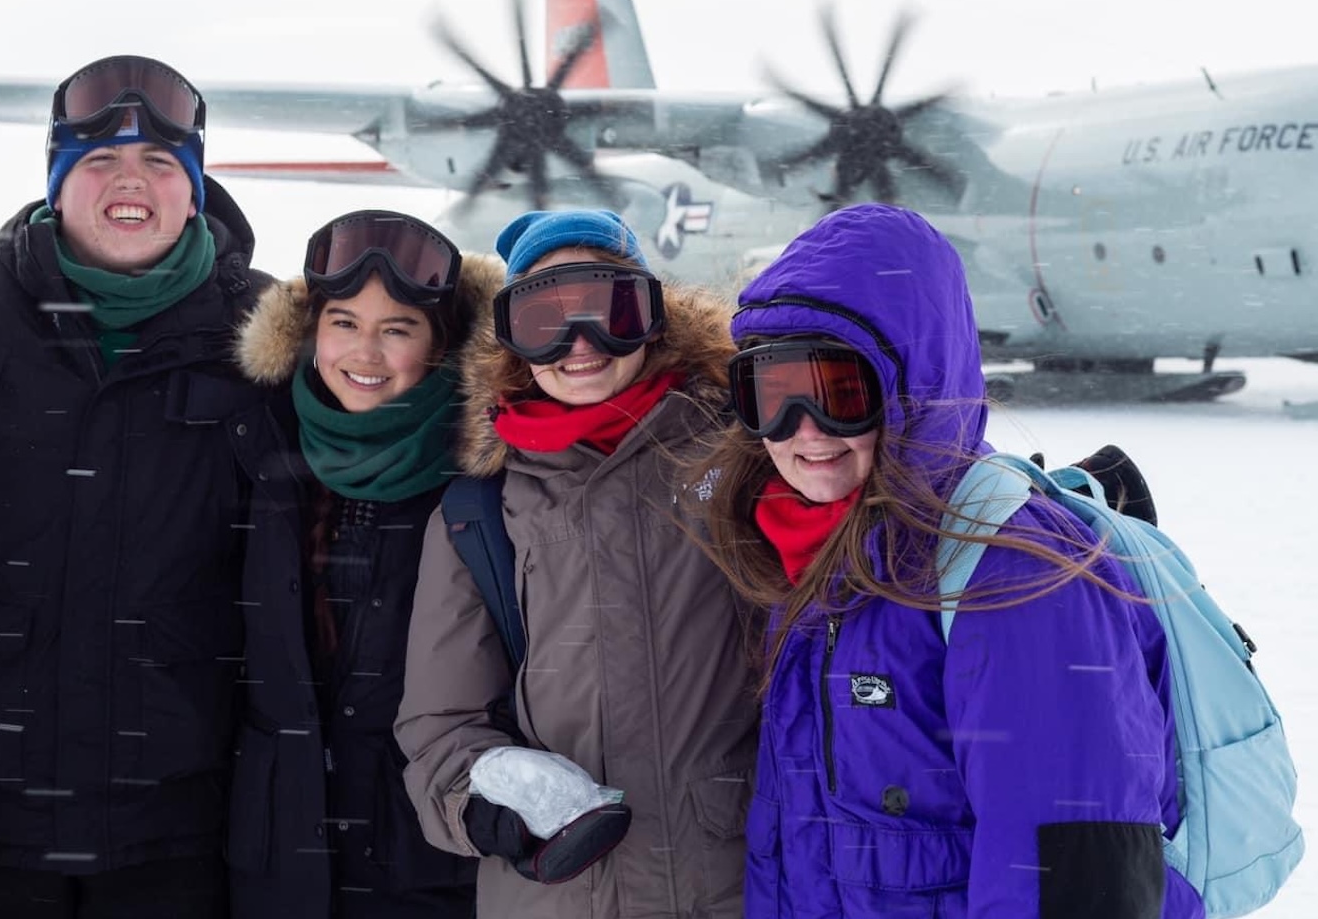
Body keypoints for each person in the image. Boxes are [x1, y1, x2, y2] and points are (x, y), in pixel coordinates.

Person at [701, 202, 1197, 918]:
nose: (802, 433)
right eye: (771, 396)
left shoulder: (1014, 572)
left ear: (915, 389)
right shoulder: (809, 553)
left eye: (841, 395)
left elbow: (1075, 880)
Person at [0, 55, 273, 917]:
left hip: (180, 817)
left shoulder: (265, 331)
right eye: (99, 162)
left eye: (159, 165)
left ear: (195, 190)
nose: (128, 182)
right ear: (56, 186)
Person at [394, 209, 759, 919]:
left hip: (732, 880)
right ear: (510, 341)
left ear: (652, 317)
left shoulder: (737, 458)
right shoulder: (482, 511)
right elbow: (440, 723)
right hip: (559, 894)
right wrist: (483, 796)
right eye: (543, 320)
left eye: (609, 310)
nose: (579, 344)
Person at [227, 210, 499, 917]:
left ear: (439, 348)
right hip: (281, 857)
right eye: (343, 323)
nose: (365, 352)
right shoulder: (262, 448)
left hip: (428, 865)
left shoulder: (487, 481)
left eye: (397, 329)